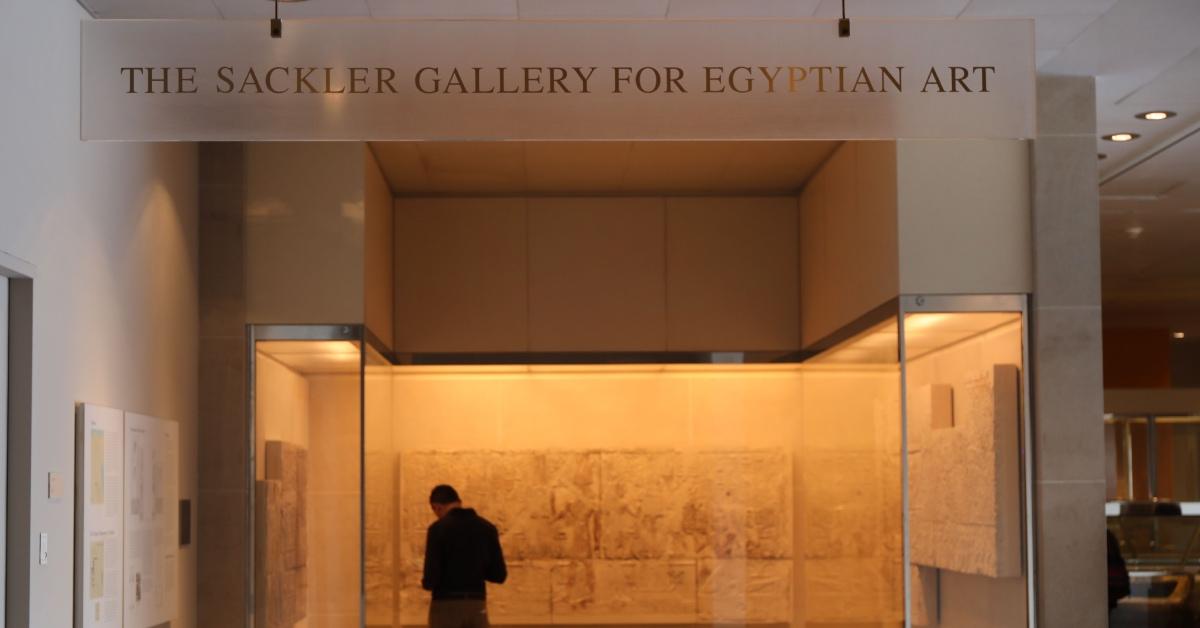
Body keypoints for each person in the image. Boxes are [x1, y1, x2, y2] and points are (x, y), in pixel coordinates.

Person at [422, 484, 507, 628]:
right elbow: (499, 575)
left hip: (445, 604)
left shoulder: (437, 529)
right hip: (477, 603)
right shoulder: (487, 528)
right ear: (458, 502)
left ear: (437, 507)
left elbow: (431, 577)